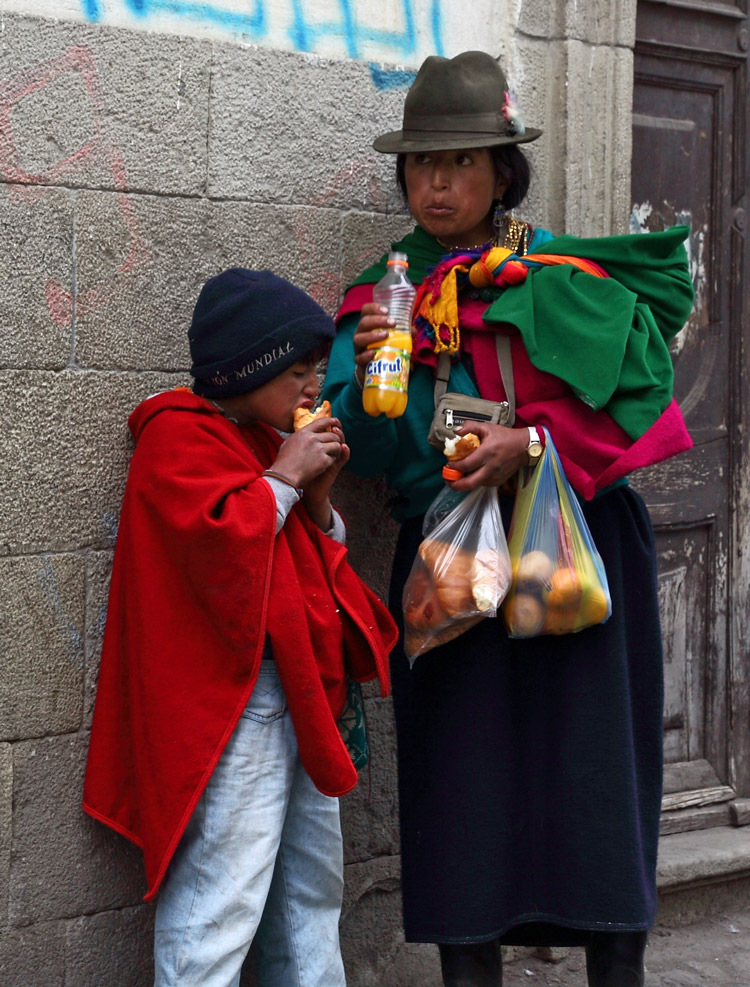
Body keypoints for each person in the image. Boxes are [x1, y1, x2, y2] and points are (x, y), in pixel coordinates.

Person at [323, 51, 695, 987]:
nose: (436, 185)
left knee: (595, 779)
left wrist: (532, 444)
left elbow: (638, 402)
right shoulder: (382, 296)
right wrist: (372, 377)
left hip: (578, 550)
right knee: (464, 787)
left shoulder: (560, 274)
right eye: (420, 164)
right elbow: (368, 452)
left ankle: (617, 965)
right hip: (453, 564)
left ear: (502, 171)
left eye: (460, 162)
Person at [83, 268, 397, 987]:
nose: (312, 387)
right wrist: (283, 478)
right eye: (297, 372)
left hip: (301, 692)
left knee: (311, 893)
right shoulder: (176, 437)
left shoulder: (265, 439)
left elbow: (306, 557)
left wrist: (316, 499)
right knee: (219, 898)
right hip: (236, 703)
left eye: (316, 370)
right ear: (247, 369)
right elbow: (212, 552)